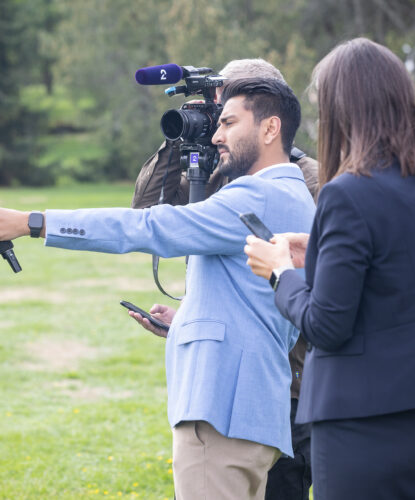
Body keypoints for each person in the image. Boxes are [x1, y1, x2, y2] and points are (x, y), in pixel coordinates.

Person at [0, 78, 315, 499]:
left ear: (269, 129)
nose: (216, 135)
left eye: (227, 123)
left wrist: (34, 223)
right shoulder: (296, 195)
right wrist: (189, 320)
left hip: (221, 413)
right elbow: (262, 304)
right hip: (253, 412)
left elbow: (152, 225)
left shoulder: (256, 195)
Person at [243, 38, 415, 499]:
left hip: (362, 430)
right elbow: (406, 257)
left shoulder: (346, 193)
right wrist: (320, 248)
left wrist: (280, 273)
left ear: (341, 111)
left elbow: (326, 325)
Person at [130, 58, 316, 500]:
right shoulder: (220, 171)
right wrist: (181, 136)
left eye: (230, 111)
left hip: (291, 382)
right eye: (218, 108)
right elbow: (147, 208)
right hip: (230, 374)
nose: (219, 122)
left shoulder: (305, 179)